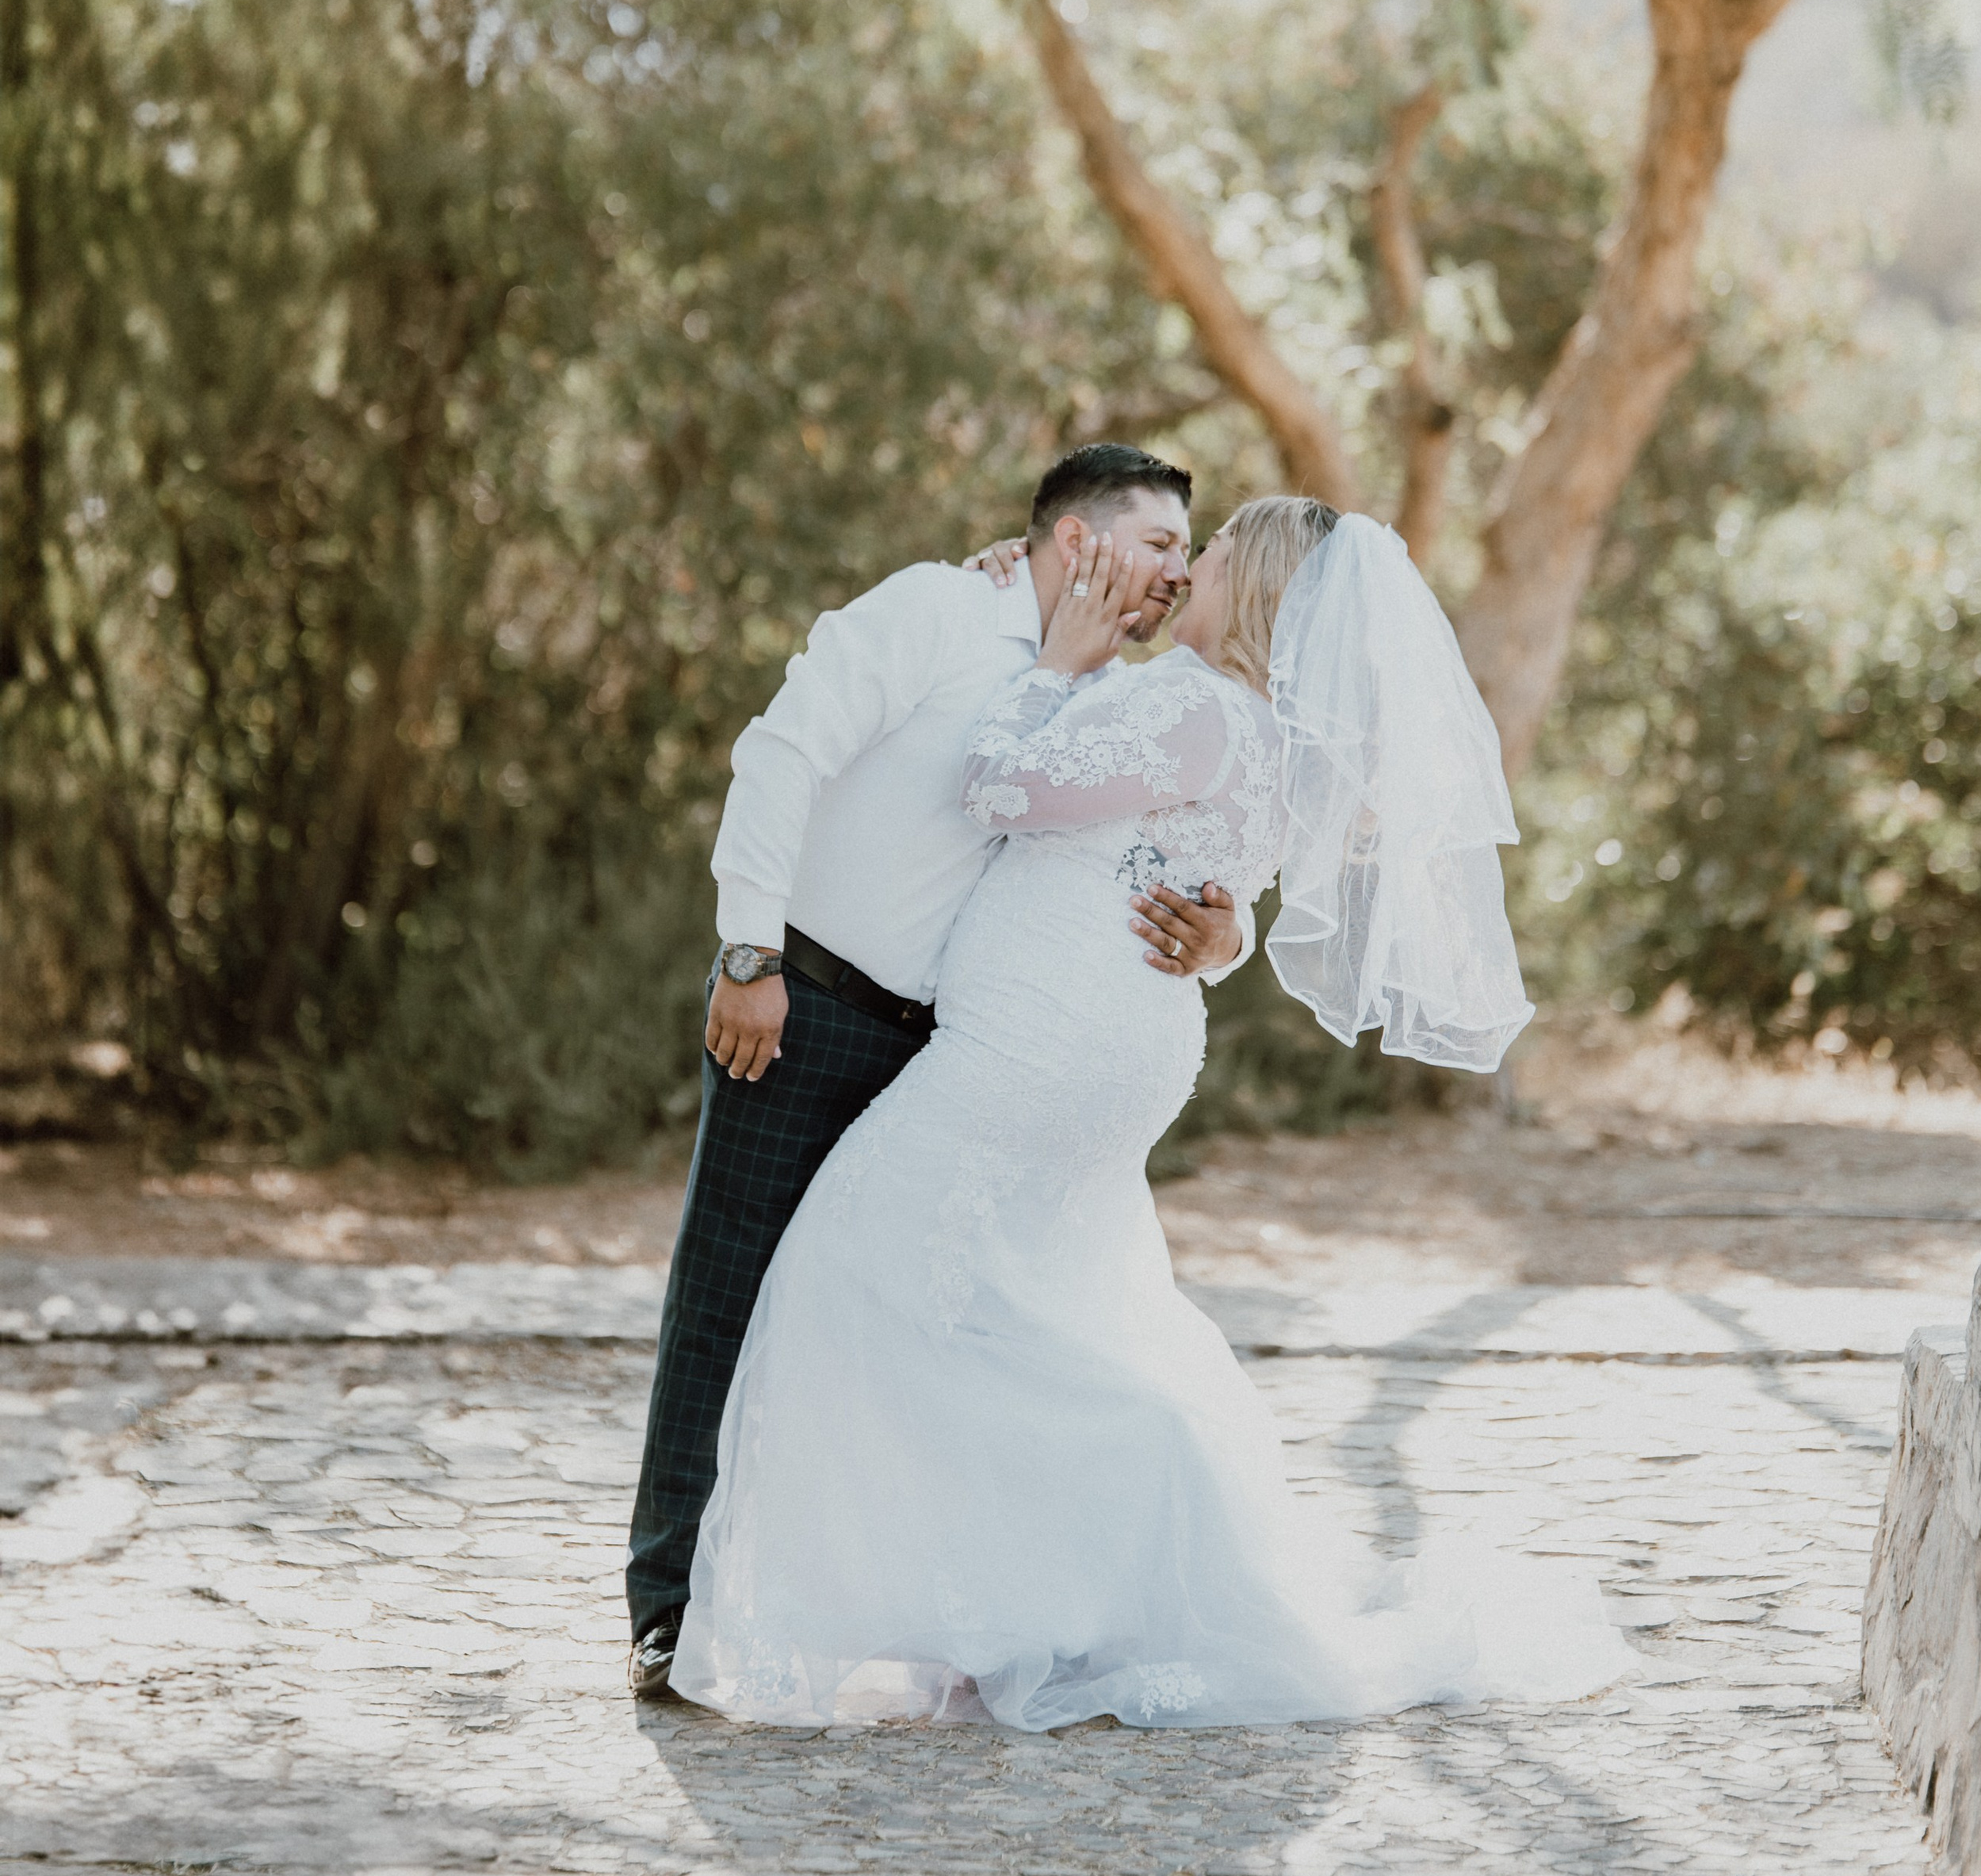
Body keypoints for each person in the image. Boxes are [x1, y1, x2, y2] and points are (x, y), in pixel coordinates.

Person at [668, 496, 1627, 1729]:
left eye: (1215, 549)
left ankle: (1084, 1553)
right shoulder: (1265, 735)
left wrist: (1060, 663)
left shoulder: (1195, 705)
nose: (1196, 565)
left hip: (1050, 1044)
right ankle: (1006, 1605)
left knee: (853, 1265)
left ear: (1262, 585)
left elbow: (1003, 789)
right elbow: (1191, 880)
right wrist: (1219, 930)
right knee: (1027, 1306)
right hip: (1097, 1042)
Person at [625, 443, 1252, 1698]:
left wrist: (1227, 938)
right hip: (802, 1003)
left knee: (919, 1329)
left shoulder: (1122, 691)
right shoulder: (931, 611)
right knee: (727, 1298)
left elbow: (1167, 848)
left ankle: (919, 1607)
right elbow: (778, 754)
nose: (1179, 576)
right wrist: (747, 948)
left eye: (1190, 555)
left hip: (959, 1056)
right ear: (1080, 544)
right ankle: (670, 1606)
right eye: (1161, 546)